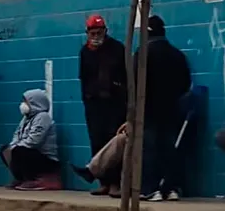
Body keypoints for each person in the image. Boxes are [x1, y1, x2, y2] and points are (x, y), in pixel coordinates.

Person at [139, 16, 192, 201]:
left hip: (149, 110)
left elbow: (135, 84)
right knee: (170, 149)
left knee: (149, 150)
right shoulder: (177, 55)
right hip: (172, 109)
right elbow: (186, 83)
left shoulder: (143, 54)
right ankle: (170, 187)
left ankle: (150, 188)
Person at [79, 14, 128, 197]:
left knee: (113, 142)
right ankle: (104, 182)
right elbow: (83, 77)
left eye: (99, 32)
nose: (96, 35)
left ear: (105, 31)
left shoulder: (116, 49)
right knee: (97, 140)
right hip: (94, 105)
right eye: (93, 32)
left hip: (114, 105)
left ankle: (116, 182)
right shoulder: (86, 52)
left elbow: (125, 77)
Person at [0, 90, 61, 190]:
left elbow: (34, 141)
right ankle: (22, 178)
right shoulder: (26, 119)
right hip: (30, 154)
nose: (23, 104)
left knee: (19, 150)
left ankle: (37, 180)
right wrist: (12, 147)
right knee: (5, 150)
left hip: (47, 160)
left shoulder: (43, 117)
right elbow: (16, 135)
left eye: (26, 101)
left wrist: (16, 147)